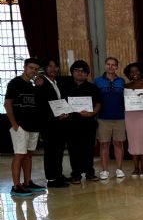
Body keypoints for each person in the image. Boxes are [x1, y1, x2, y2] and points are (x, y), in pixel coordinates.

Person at [4, 58, 46, 195]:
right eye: (31, 68)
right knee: (19, 155)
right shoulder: (15, 83)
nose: (33, 71)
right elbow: (8, 103)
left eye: (36, 69)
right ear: (25, 67)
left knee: (28, 155)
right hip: (20, 126)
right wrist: (14, 124)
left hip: (33, 125)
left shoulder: (33, 85)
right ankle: (16, 186)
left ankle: (27, 182)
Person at [61, 60, 102, 184]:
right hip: (70, 124)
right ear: (72, 72)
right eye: (77, 70)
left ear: (87, 74)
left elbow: (99, 104)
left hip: (88, 124)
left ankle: (90, 173)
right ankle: (76, 174)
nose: (80, 73)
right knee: (73, 150)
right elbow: (60, 104)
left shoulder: (92, 87)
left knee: (88, 150)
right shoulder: (64, 87)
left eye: (83, 71)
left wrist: (93, 113)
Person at [35, 58, 69, 188]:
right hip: (49, 123)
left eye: (55, 66)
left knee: (59, 150)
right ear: (45, 68)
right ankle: (51, 179)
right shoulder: (41, 83)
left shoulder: (58, 81)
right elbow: (41, 106)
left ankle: (58, 175)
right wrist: (37, 77)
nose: (53, 69)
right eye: (50, 66)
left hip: (60, 122)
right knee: (50, 152)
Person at [94, 57, 126, 179]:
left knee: (118, 144)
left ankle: (119, 169)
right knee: (104, 145)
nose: (111, 67)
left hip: (119, 117)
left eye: (113, 65)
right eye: (108, 64)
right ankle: (104, 170)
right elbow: (94, 98)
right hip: (103, 118)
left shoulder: (121, 81)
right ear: (105, 65)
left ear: (117, 67)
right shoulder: (97, 81)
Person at [123, 62, 143, 177]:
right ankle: (135, 167)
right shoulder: (126, 86)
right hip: (130, 116)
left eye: (136, 71)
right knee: (133, 141)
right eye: (132, 72)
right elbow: (123, 101)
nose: (134, 73)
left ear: (141, 72)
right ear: (129, 74)